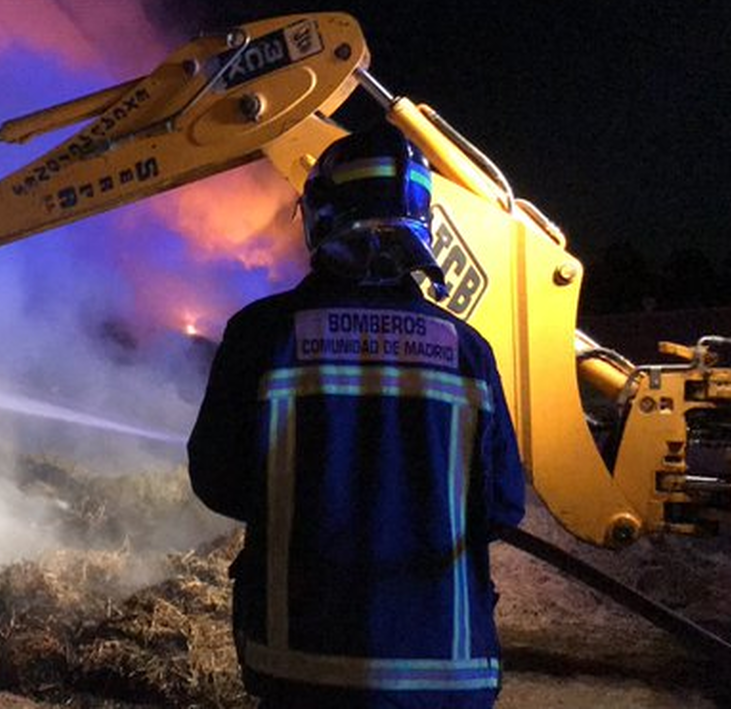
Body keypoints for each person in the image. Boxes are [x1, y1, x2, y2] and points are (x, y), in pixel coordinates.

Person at [187, 123, 526, 708]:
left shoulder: (263, 335)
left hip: (301, 663)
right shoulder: (468, 351)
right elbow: (502, 505)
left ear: (321, 215)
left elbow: (217, 480)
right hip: (447, 670)